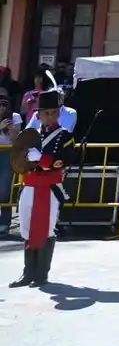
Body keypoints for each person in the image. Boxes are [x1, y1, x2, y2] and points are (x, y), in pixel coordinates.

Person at [9, 88, 71, 287]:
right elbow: (19, 159)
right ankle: (28, 272)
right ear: (39, 114)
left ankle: (41, 274)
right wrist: (26, 157)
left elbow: (64, 160)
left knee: (47, 227)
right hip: (30, 185)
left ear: (58, 113)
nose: (50, 116)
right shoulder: (30, 136)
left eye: (53, 112)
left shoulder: (64, 136)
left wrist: (42, 159)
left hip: (50, 187)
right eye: (46, 113)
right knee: (26, 227)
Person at [0, 95, 19, 236]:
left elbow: (16, 140)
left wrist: (9, 130)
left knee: (5, 189)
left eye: (5, 104)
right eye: (0, 104)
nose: (2, 108)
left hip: (8, 154)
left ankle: (4, 222)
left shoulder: (15, 116)